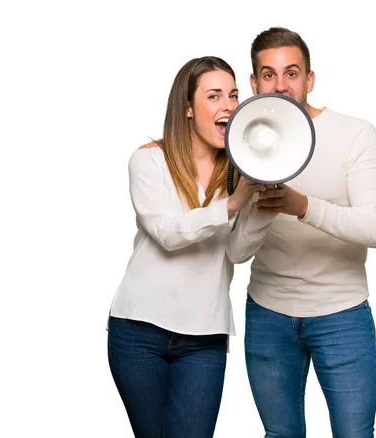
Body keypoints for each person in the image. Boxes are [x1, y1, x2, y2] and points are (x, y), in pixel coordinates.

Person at [226, 27, 376, 437]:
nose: (280, 85)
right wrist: (264, 201)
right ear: (254, 83)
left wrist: (302, 207)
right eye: (268, 74)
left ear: (310, 79)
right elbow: (235, 251)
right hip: (268, 315)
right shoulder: (242, 143)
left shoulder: (356, 134)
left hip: (342, 314)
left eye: (291, 73)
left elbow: (374, 227)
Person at [107, 56, 264, 438]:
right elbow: (166, 232)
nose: (228, 106)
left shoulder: (240, 171)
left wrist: (262, 202)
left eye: (233, 95)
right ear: (189, 109)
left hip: (204, 336)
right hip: (139, 330)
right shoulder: (149, 161)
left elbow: (238, 252)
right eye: (214, 96)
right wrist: (230, 204)